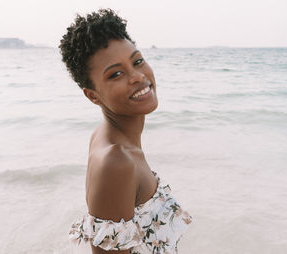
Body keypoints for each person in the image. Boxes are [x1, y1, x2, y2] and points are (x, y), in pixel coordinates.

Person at [59, 9, 192, 254]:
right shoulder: (116, 161)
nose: (138, 77)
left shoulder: (106, 137)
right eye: (116, 74)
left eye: (138, 61)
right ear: (93, 96)